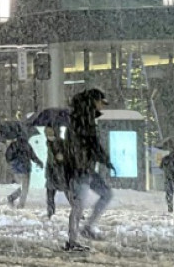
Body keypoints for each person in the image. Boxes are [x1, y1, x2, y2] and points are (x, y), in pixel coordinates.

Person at [63, 88, 114, 252]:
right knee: (78, 205)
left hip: (86, 167)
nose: (102, 106)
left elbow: (91, 145)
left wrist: (102, 159)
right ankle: (72, 240)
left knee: (106, 194)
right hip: (80, 168)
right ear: (93, 101)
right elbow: (91, 144)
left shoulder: (85, 118)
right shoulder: (82, 120)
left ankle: (87, 228)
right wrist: (104, 159)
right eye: (101, 102)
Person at [5, 130, 43, 208]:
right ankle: (20, 204)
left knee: (23, 187)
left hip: (17, 169)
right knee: (25, 188)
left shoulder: (14, 145)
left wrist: (12, 163)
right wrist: (39, 162)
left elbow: (8, 156)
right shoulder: (27, 145)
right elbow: (33, 156)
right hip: (25, 169)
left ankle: (12, 198)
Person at [44, 126, 70, 219]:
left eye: (50, 132)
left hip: (60, 172)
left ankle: (77, 210)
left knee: (68, 192)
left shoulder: (59, 142)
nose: (48, 135)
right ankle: (50, 211)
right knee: (50, 193)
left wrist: (62, 157)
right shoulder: (49, 143)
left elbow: (66, 154)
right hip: (52, 172)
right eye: (47, 133)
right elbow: (50, 158)